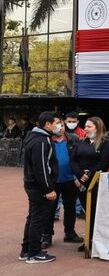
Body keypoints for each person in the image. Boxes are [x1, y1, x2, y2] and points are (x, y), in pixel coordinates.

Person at [19, 111, 61, 263]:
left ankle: (26, 250)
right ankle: (34, 253)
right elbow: (41, 167)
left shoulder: (35, 137)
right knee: (37, 219)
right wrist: (48, 189)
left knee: (32, 218)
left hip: (32, 185)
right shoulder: (42, 141)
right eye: (57, 123)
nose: (59, 125)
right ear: (48, 124)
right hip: (39, 187)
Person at [70, 117, 109, 252]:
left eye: (89, 126)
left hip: (97, 183)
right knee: (87, 211)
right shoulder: (81, 142)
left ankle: (96, 241)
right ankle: (88, 239)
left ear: (98, 127)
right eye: (85, 127)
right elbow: (73, 160)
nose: (86, 129)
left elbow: (103, 162)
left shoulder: (106, 143)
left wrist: (88, 175)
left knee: (95, 212)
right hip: (81, 183)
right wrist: (79, 175)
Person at [42, 120, 83, 249]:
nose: (61, 127)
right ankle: (47, 235)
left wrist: (78, 176)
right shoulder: (46, 140)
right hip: (53, 181)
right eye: (58, 125)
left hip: (70, 180)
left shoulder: (73, 139)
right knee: (49, 210)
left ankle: (70, 233)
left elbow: (79, 158)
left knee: (70, 208)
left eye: (62, 125)